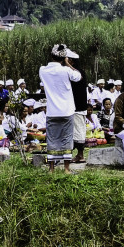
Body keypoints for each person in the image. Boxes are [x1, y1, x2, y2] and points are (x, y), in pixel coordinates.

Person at [38, 43, 83, 173]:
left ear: (51, 55)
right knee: (66, 138)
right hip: (67, 110)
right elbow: (78, 77)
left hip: (52, 111)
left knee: (52, 138)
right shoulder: (66, 70)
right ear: (64, 58)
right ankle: (66, 168)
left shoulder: (42, 70)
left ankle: (51, 168)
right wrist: (67, 64)